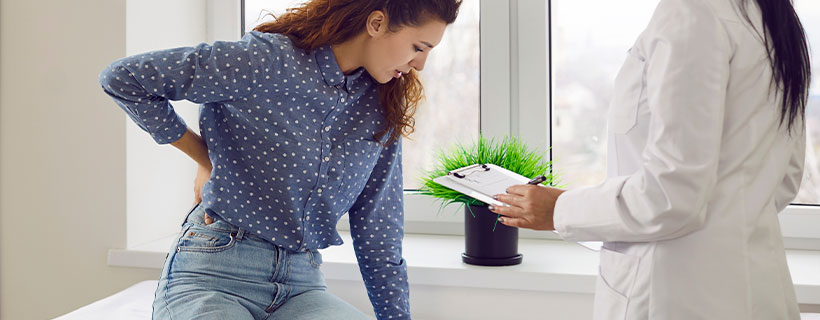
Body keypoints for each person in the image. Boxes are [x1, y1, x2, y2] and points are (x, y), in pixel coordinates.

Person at [99, 0, 462, 319]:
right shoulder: (270, 59)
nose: (421, 65)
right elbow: (125, 78)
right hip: (215, 270)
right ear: (377, 23)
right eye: (419, 46)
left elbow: (378, 233)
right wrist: (206, 157)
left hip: (302, 285)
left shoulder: (381, 109)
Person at [490, 0, 810, 319]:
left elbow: (670, 194)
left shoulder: (692, 13)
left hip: (677, 294)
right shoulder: (772, 19)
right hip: (760, 286)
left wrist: (560, 209)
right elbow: (785, 180)